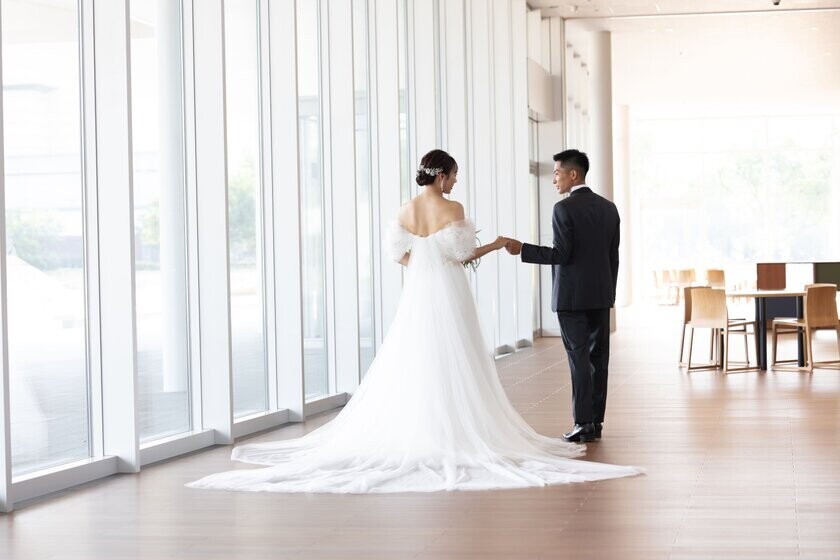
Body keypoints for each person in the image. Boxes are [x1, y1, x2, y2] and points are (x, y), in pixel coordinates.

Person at [188, 149, 639, 494]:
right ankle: (587, 421)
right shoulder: (460, 209)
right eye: (455, 174)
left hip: (422, 295)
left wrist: (431, 261)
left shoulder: (405, 211)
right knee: (580, 358)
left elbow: (402, 255)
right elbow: (462, 255)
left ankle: (568, 421)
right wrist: (501, 244)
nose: (457, 180)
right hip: (542, 295)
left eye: (559, 172)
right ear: (442, 176)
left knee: (420, 358)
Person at [505, 149, 619, 444]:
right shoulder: (609, 208)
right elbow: (612, 258)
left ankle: (582, 423)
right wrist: (610, 292)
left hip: (571, 299)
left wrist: (524, 249)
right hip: (600, 295)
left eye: (556, 173)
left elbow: (562, 255)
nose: (553, 178)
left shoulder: (563, 209)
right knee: (599, 359)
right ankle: (594, 422)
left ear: (573, 174)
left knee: (578, 359)